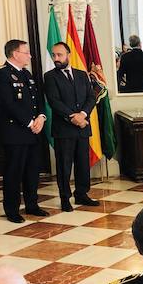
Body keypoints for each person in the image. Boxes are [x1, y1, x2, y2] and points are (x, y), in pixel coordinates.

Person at [0, 39, 47, 224]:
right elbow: (8, 104)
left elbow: (37, 99)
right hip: (15, 133)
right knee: (14, 173)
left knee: (32, 171)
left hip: (33, 131)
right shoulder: (1, 74)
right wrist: (31, 122)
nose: (29, 55)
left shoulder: (26, 74)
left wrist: (41, 117)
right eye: (26, 52)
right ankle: (12, 210)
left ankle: (32, 205)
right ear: (15, 54)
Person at [44, 41, 98, 211]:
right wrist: (72, 117)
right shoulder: (50, 76)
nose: (56, 58)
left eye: (59, 55)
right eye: (54, 55)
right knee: (64, 166)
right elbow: (54, 101)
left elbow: (91, 97)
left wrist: (82, 115)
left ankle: (82, 194)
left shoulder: (82, 75)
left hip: (82, 126)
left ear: (69, 55)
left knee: (82, 163)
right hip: (64, 129)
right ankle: (65, 198)